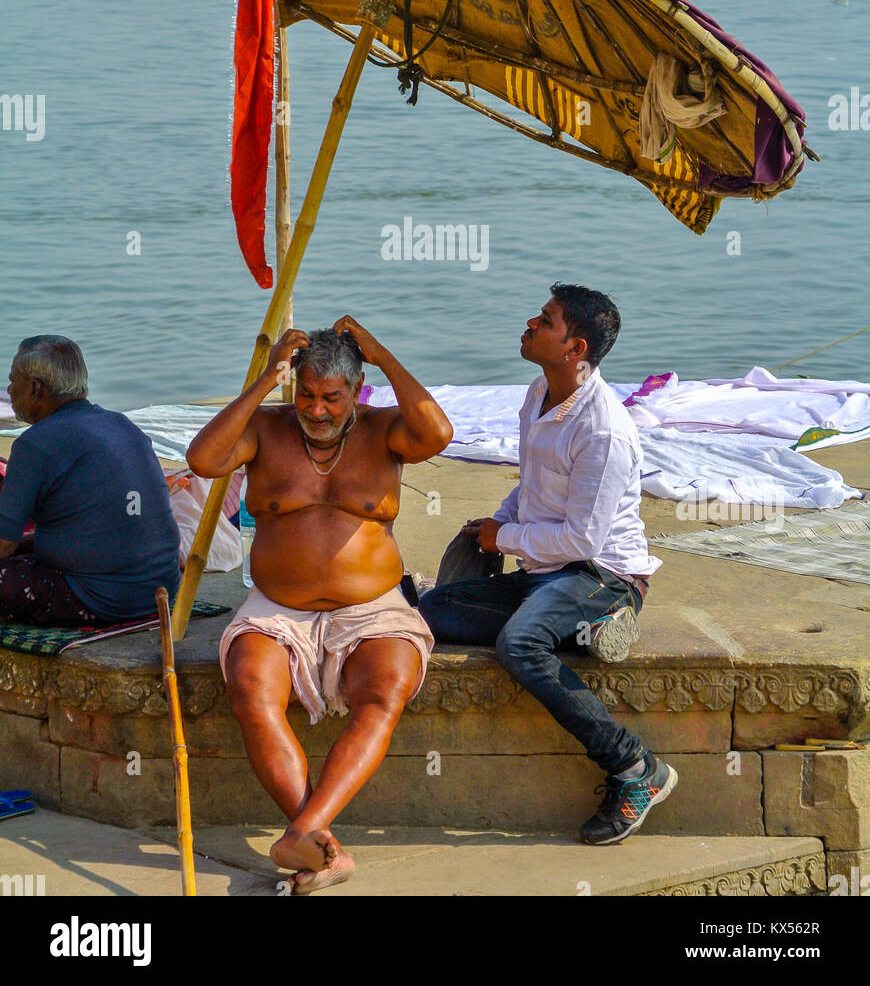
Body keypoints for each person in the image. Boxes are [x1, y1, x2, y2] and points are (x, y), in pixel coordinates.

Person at [186, 317, 452, 894]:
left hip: (374, 608)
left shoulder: (385, 430)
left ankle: (304, 829)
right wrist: (265, 379)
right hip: (276, 608)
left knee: (384, 693)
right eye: (306, 394)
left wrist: (380, 352)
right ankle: (321, 844)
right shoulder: (265, 427)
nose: (318, 409)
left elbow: (439, 432)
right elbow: (204, 460)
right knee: (251, 690)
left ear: (356, 391)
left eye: (332, 397)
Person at [419, 284, 677, 846]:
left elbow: (584, 538)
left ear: (574, 347)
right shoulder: (540, 391)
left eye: (547, 320)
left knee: (520, 645)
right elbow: (530, 490)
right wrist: (493, 525)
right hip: (547, 571)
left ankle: (636, 770)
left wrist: (503, 538)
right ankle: (583, 632)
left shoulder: (603, 430)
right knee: (431, 611)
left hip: (601, 575)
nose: (531, 322)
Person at [0, 336, 181, 626]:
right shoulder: (123, 425)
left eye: (13, 381)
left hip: (103, 600)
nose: (9, 390)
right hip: (162, 590)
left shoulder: (34, 444)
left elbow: (3, 544)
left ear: (36, 389)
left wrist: (17, 546)